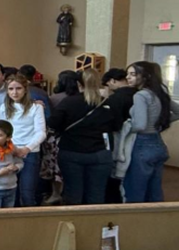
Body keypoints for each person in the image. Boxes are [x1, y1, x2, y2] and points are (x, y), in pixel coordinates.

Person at [48, 69, 116, 205]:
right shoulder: (108, 103)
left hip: (71, 151)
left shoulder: (68, 102)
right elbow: (115, 125)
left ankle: (74, 218)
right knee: (97, 195)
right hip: (100, 153)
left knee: (73, 194)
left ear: (78, 84)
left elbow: (52, 123)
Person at [122, 62, 179, 202]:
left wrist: (126, 126)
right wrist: (159, 123)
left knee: (135, 189)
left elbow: (140, 125)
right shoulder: (159, 93)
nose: (127, 77)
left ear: (145, 76)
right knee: (155, 190)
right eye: (127, 74)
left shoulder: (140, 95)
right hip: (158, 143)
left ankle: (135, 216)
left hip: (142, 144)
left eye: (133, 74)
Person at [0, 75, 46, 207]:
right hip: (10, 152)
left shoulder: (36, 107)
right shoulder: (4, 107)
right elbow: (3, 131)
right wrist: (12, 147)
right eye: (11, 89)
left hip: (30, 152)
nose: (15, 92)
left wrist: (27, 148)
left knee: (27, 192)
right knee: (11, 192)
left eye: (18, 88)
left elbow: (41, 132)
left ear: (25, 89)